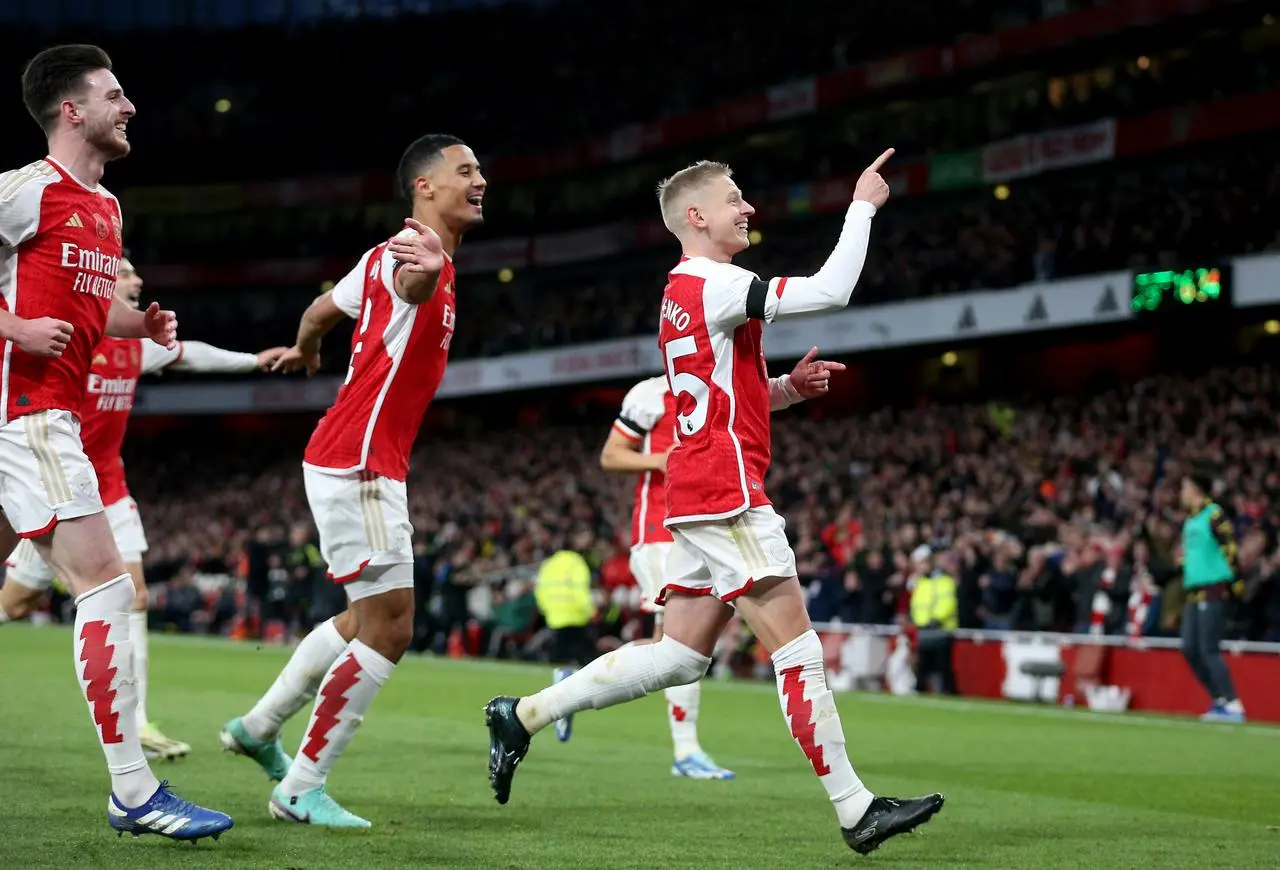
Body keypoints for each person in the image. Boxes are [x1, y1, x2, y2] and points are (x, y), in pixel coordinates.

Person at [484, 151, 945, 856]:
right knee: (797, 645)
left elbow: (720, 398)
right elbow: (830, 291)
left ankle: (522, 715)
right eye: (734, 199)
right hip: (726, 493)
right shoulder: (719, 282)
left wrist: (786, 389)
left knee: (677, 659)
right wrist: (863, 207)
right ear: (695, 216)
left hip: (696, 491)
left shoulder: (681, 291)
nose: (748, 208)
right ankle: (856, 810)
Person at [219, 133, 486, 828]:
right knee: (391, 627)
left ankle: (257, 727)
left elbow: (319, 312)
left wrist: (306, 349)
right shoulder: (409, 256)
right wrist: (426, 270)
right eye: (465, 171)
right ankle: (300, 787)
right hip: (361, 464)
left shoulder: (377, 255)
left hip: (350, 455)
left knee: (360, 619)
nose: (480, 179)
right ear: (424, 187)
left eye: (479, 170)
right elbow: (412, 285)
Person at [0, 44, 232, 840]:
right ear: (72, 110)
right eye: (114, 94)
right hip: (25, 414)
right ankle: (134, 792)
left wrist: (136, 322)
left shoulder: (107, 208)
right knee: (106, 587)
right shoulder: (26, 191)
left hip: (39, 416)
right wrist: (14, 326)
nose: (129, 107)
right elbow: (31, 318)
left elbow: (81, 308)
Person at [0, 256, 289, 760]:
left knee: (134, 595)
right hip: (52, 483)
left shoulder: (136, 347)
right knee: (15, 604)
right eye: (126, 273)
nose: (136, 281)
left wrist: (250, 360)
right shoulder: (72, 338)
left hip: (108, 488)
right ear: (99, 282)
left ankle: (138, 726)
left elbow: (190, 353)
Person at [595, 374, 734, 779]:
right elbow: (611, 456)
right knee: (682, 644)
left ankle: (575, 682)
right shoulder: (649, 393)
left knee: (665, 647)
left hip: (696, 532)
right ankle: (686, 750)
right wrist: (658, 459)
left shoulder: (719, 387)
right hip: (658, 533)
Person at [1178, 471, 1247, 723]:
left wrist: (1237, 583)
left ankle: (1233, 703)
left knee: (1208, 648)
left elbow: (1229, 547)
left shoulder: (1214, 514)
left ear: (1196, 489)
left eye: (1184, 487)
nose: (1181, 493)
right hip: (1193, 589)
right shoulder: (1189, 521)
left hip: (1213, 588)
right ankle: (1219, 699)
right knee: (1189, 648)